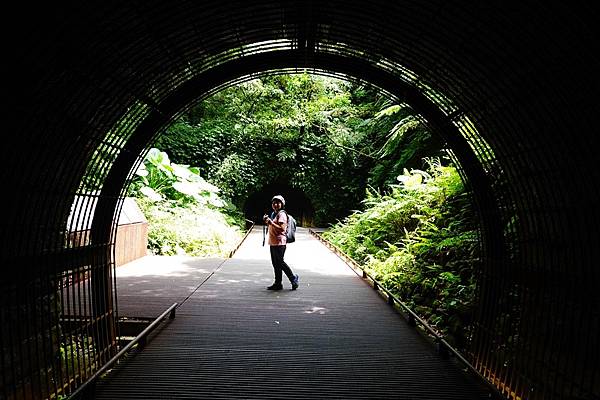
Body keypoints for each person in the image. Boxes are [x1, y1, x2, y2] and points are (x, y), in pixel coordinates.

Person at [263, 195, 299, 291]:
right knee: (275, 263)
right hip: (273, 242)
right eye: (274, 202)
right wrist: (267, 221)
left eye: (278, 203)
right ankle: (278, 283)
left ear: (282, 204)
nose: (275, 204)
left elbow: (282, 228)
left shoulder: (282, 214)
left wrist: (271, 223)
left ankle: (293, 278)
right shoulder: (273, 214)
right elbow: (272, 226)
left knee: (280, 262)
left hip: (280, 242)